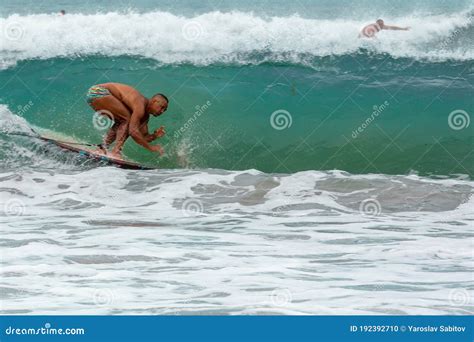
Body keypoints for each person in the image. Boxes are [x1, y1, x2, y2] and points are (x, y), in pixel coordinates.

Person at [86, 82, 168, 159]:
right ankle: (116, 151)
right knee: (126, 119)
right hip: (98, 91)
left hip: (95, 95)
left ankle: (102, 148)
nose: (162, 111)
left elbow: (143, 137)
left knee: (122, 121)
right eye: (162, 107)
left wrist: (155, 136)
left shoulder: (144, 116)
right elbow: (133, 132)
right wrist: (151, 148)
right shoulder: (140, 104)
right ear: (154, 101)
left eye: (164, 110)